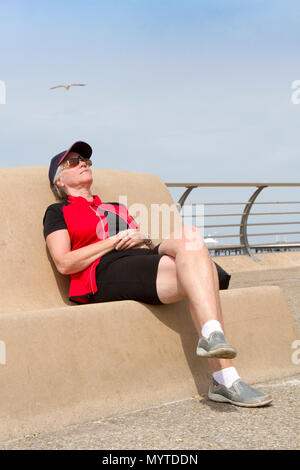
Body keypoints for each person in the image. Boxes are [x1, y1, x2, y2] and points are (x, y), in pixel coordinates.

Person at [43, 141, 272, 408]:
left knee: (191, 235)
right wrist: (116, 240)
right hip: (104, 272)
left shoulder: (116, 207)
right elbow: (64, 263)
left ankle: (212, 336)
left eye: (85, 160)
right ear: (59, 181)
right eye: (73, 162)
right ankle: (225, 377)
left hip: (142, 260)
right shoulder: (57, 212)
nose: (82, 162)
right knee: (206, 271)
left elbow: (144, 249)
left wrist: (142, 236)